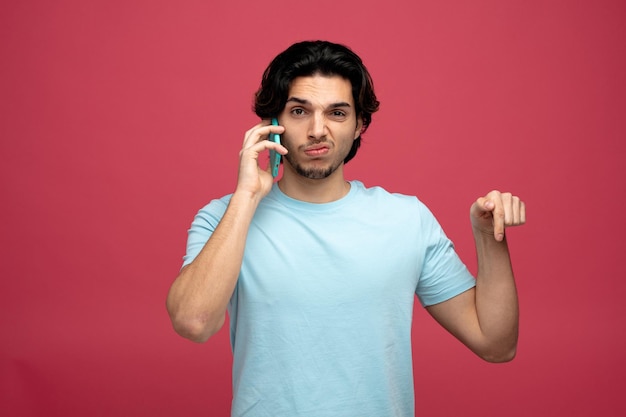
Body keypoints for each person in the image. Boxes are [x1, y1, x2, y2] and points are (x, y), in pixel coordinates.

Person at [166, 40, 526, 417]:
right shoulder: (222, 218)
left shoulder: (405, 220)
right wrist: (245, 197)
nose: (317, 130)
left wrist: (489, 237)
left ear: (359, 126)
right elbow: (194, 322)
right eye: (299, 111)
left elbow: (496, 344)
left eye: (337, 113)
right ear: (272, 124)